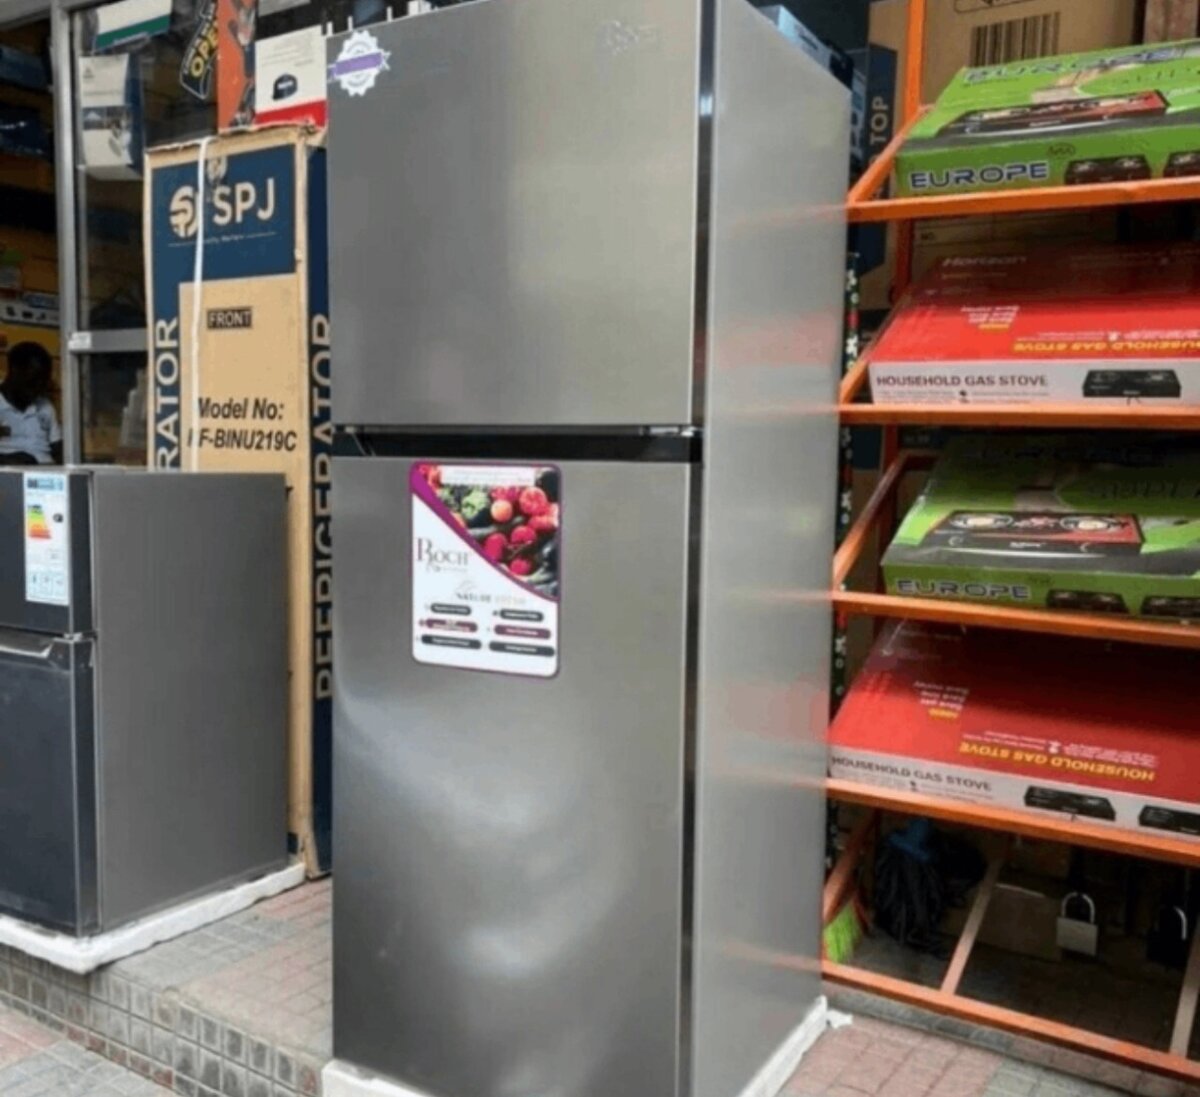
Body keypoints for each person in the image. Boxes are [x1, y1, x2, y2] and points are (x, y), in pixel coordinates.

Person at [0, 342, 63, 466]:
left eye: (43, 381)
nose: (39, 387)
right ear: (14, 370)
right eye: (33, 381)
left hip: (46, 474)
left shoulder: (45, 406)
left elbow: (58, 448)